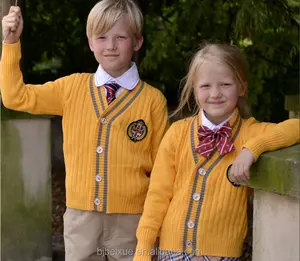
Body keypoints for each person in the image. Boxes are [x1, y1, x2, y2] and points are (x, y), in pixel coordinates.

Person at [1, 1, 169, 260]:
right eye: (101, 37)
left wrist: (154, 225)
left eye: (120, 37)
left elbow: (162, 171)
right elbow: (15, 97)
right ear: (90, 42)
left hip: (132, 221)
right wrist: (11, 43)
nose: (110, 46)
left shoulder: (152, 100)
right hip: (81, 220)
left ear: (137, 42)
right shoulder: (71, 88)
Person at [133, 43, 300, 261]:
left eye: (225, 84)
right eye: (205, 86)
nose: (215, 94)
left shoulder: (249, 133)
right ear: (194, 89)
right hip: (170, 252)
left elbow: (295, 126)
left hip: (220, 255)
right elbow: (157, 195)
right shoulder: (177, 133)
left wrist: (252, 149)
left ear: (242, 87)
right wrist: (143, 250)